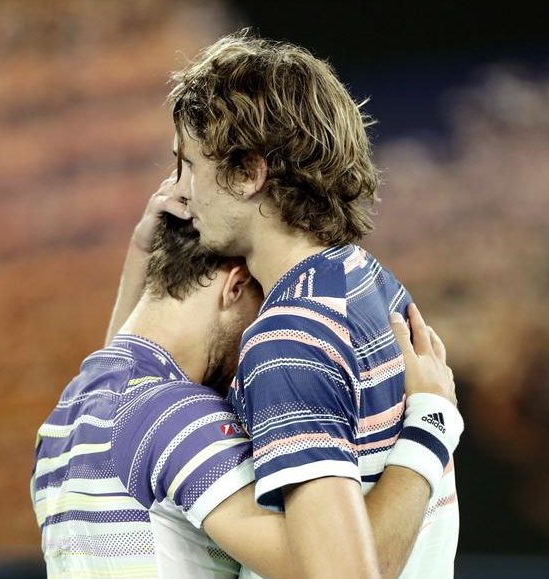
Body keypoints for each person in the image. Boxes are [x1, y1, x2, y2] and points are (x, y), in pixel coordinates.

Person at [32, 185, 459, 578]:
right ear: (236, 285)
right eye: (264, 302)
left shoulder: (70, 413)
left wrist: (142, 248)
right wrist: (431, 422)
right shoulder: (177, 418)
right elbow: (340, 570)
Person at [166, 31, 462, 578]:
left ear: (248, 173)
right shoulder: (369, 281)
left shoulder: (288, 339)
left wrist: (430, 429)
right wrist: (433, 424)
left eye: (189, 165)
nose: (178, 192)